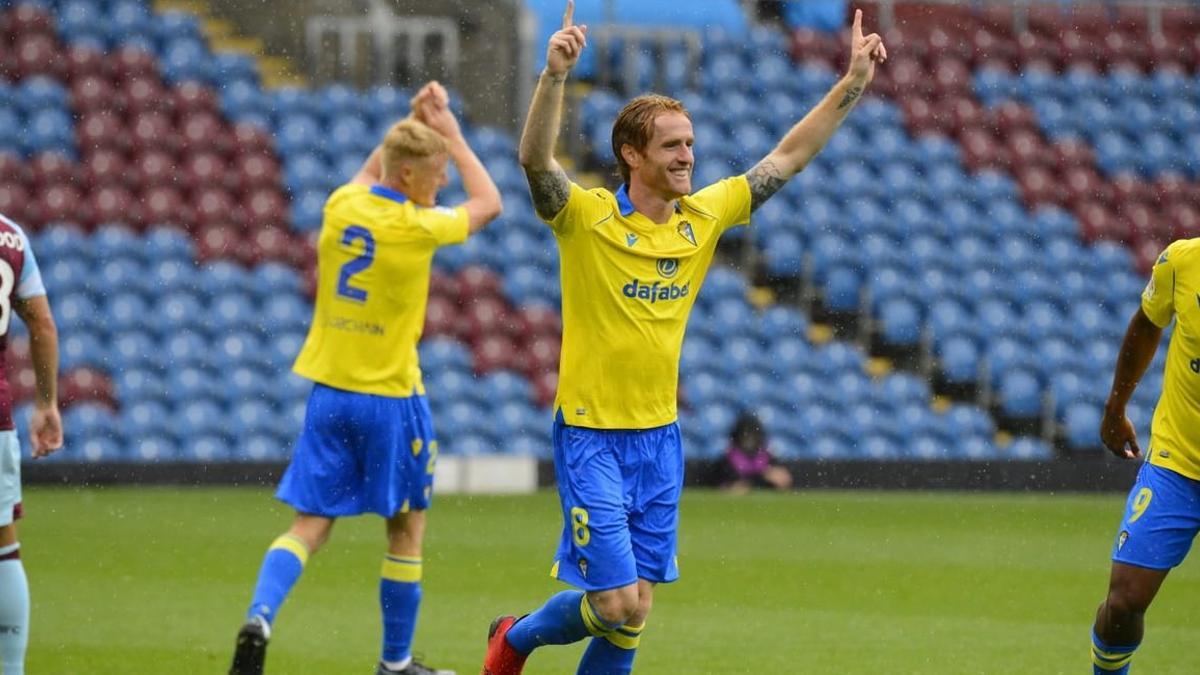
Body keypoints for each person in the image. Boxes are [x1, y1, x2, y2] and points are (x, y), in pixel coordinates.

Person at [481, 4, 885, 673]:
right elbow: (533, 160)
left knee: (635, 607)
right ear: (631, 155)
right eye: (672, 145)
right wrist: (553, 78)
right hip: (591, 435)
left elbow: (789, 155)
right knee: (612, 603)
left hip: (659, 437)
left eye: (689, 143)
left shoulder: (703, 216)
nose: (687, 155)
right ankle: (513, 640)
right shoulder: (586, 218)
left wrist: (852, 83)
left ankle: (515, 638)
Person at [228, 81, 502, 675]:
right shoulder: (416, 225)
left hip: (329, 394)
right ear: (408, 177)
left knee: (309, 525)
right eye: (435, 173)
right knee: (405, 530)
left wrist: (413, 120)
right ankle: (395, 664)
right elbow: (489, 202)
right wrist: (451, 132)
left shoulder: (340, 205)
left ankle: (260, 615)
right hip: (390, 398)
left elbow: (374, 168)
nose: (444, 182)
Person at [1090, 238, 1200, 675]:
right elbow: (1147, 324)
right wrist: (1116, 408)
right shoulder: (1182, 261)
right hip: (1177, 466)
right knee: (1123, 603)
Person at [0, 211, 64, 675]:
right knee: (3, 546)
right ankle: (12, 668)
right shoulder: (12, 237)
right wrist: (46, 403)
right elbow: (41, 324)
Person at [714, 412, 793, 493]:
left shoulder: (767, 457)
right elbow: (725, 484)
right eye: (745, 435)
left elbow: (782, 479)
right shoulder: (728, 459)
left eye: (753, 436)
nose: (749, 440)